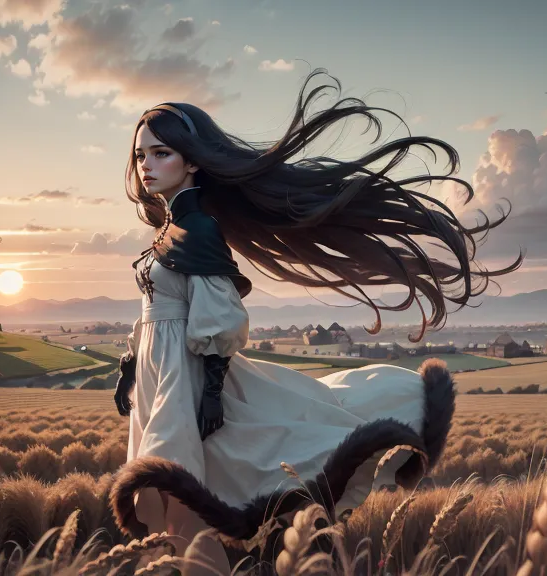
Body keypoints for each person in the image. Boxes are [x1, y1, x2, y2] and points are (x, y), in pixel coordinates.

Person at [107, 69, 522, 570]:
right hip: (158, 374)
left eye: (160, 153)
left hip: (184, 378)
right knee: (178, 497)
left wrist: (212, 389)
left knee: (181, 495)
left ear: (192, 162)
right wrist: (132, 364)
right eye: (140, 155)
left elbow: (217, 315)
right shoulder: (169, 229)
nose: (146, 165)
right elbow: (155, 312)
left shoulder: (198, 231)